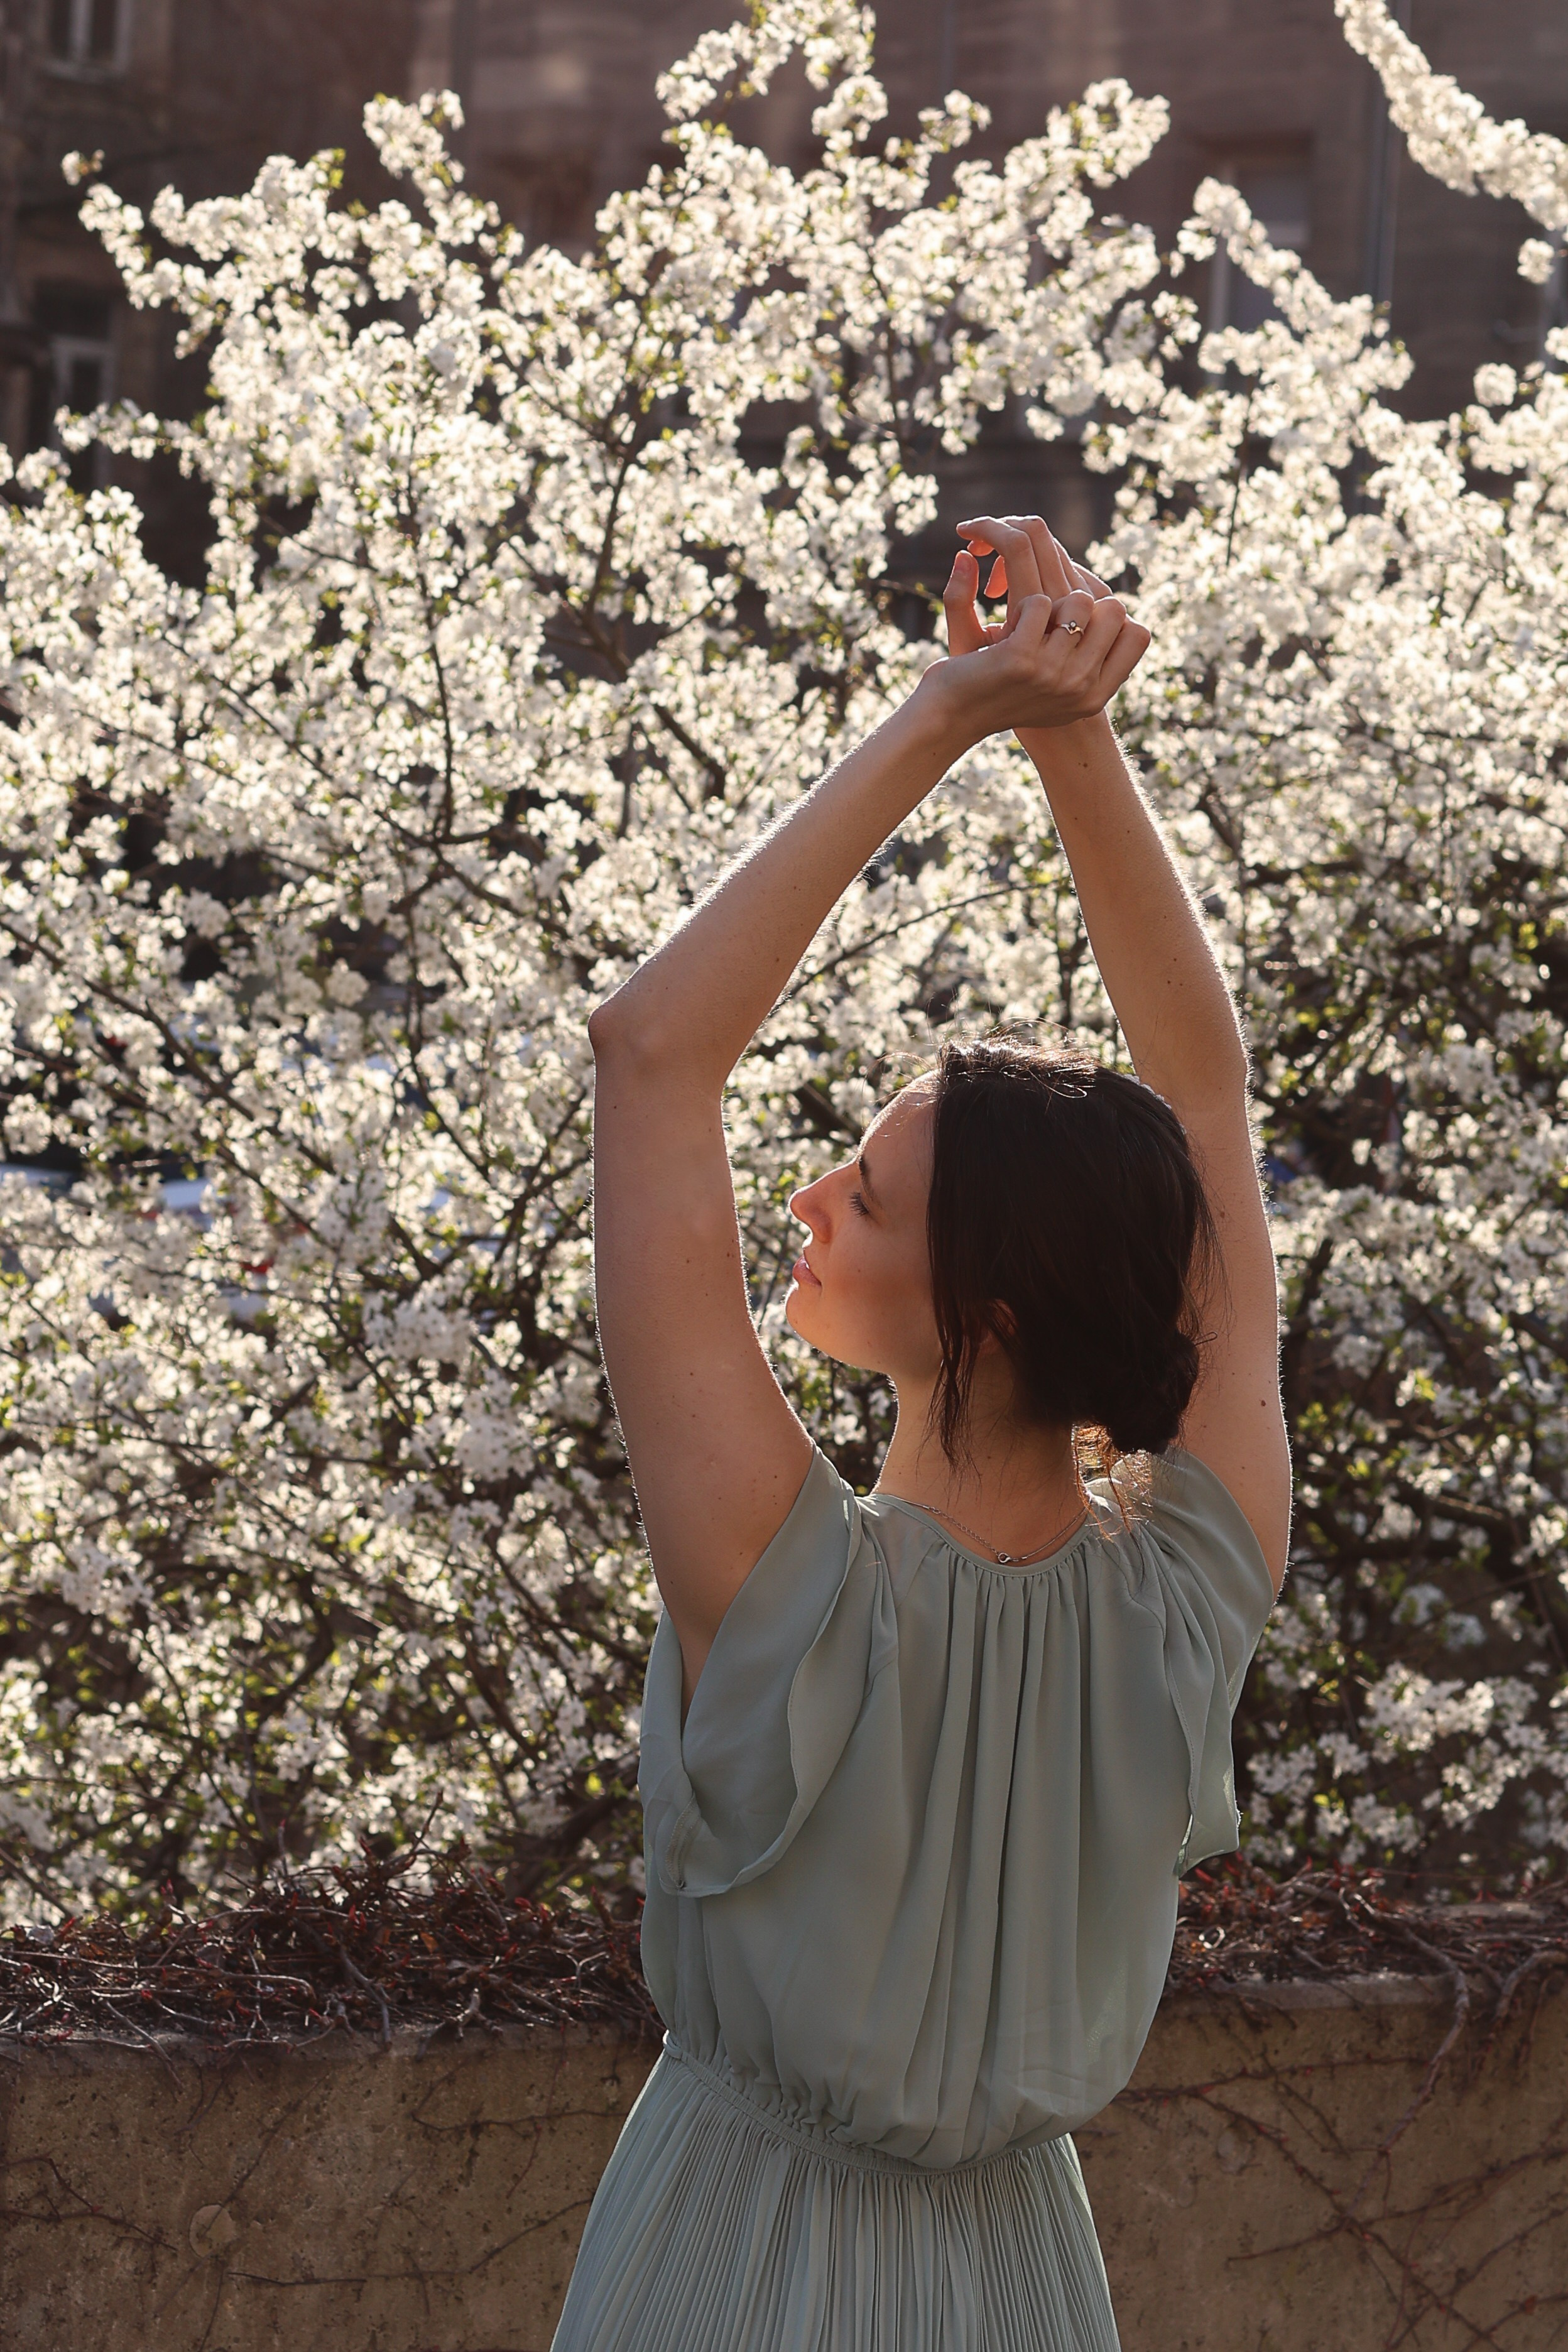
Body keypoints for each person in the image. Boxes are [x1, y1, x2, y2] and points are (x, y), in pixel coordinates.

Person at [553, 514, 1291, 2351]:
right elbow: (1202, 1094)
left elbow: (652, 1050)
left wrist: (961, 708)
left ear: (990, 1315)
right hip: (1022, 2288)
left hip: (730, 2267)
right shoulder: (1191, 1587)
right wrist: (1067, 725)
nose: (808, 1202)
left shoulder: (786, 1589)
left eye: (867, 1197)